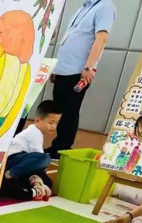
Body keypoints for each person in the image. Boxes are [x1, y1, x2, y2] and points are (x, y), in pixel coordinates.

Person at [46, 0, 116, 160]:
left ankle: (62, 148)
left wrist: (89, 66)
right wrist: (57, 68)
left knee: (69, 110)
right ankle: (57, 146)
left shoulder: (105, 6)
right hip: (64, 69)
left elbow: (101, 38)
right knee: (60, 109)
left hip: (78, 70)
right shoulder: (83, 8)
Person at [0, 100, 62, 201]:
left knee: (48, 182)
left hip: (19, 162)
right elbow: (39, 159)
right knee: (45, 158)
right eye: (50, 123)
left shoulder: (37, 132)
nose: (54, 126)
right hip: (11, 159)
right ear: (37, 121)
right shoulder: (34, 132)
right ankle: (11, 174)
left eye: (56, 123)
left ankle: (29, 185)